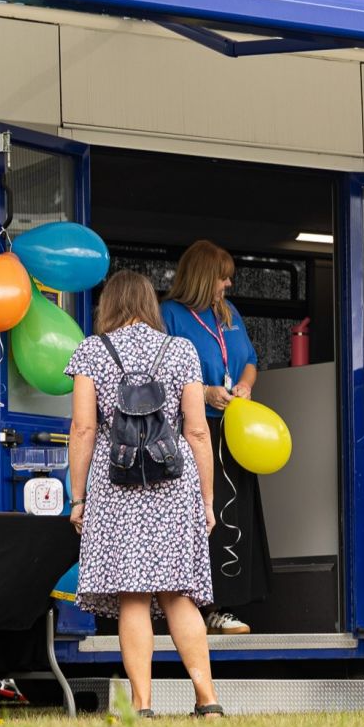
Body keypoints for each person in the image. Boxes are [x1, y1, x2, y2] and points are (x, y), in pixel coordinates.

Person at [66, 270, 222, 717]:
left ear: (108, 305)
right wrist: (206, 500)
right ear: (150, 305)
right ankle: (208, 701)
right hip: (174, 484)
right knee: (178, 594)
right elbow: (196, 430)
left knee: (132, 596)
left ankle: (142, 705)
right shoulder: (181, 350)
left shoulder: (91, 351)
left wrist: (78, 498)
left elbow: (83, 428)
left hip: (116, 485)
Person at [161, 240, 271, 635]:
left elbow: (252, 361)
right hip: (191, 432)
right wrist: (203, 393)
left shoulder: (229, 312)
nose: (228, 284)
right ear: (204, 276)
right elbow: (157, 378)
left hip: (233, 430)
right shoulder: (169, 315)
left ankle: (223, 606)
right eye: (223, 277)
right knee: (200, 516)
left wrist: (244, 384)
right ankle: (192, 608)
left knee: (233, 517)